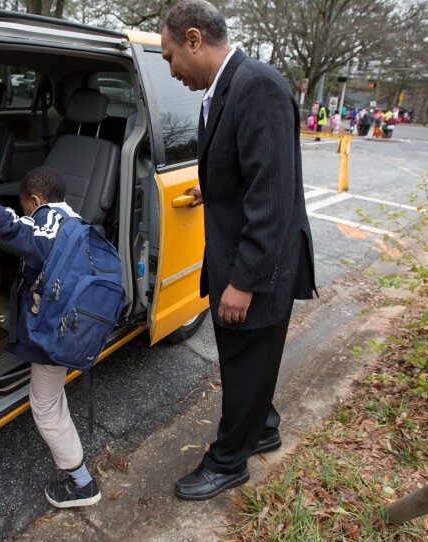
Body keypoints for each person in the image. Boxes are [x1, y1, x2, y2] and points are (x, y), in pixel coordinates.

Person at [160, 0, 316, 501]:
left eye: (169, 58)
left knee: (245, 360)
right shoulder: (228, 87)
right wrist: (217, 187)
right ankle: (263, 426)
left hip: (260, 269)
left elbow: (272, 198)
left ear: (192, 39)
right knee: (249, 362)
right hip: (249, 256)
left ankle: (229, 461)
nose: (171, 70)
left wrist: (244, 282)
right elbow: (251, 168)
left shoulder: (256, 86)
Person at [0, 168, 102, 509]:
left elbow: (27, 236)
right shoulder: (76, 219)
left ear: (36, 201)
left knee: (44, 406)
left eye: (27, 207)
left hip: (56, 335)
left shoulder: (48, 222)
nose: (28, 213)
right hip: (75, 325)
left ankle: (81, 482)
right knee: (52, 397)